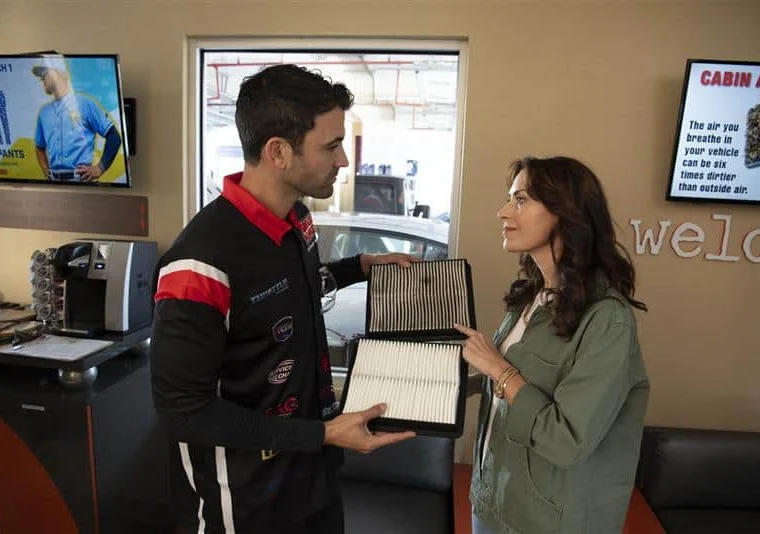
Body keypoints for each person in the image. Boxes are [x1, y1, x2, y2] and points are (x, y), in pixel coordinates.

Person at [150, 64, 416, 534]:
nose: (343, 162)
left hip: (311, 472)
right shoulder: (198, 266)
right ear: (278, 152)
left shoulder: (295, 218)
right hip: (243, 499)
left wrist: (360, 268)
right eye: (331, 146)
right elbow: (184, 412)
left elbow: (291, 289)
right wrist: (324, 432)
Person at [454, 156, 650, 534]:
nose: (503, 211)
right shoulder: (531, 298)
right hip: (493, 501)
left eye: (521, 200)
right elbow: (515, 390)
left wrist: (497, 367)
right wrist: (456, 386)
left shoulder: (607, 320)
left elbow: (565, 439)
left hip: (550, 522)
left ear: (565, 212)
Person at [32, 57, 122, 182]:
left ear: (56, 73)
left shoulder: (84, 104)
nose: (41, 78)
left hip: (81, 181)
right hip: (54, 184)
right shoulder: (44, 112)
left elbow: (114, 137)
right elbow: (39, 147)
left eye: (44, 73)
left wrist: (100, 168)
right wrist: (46, 172)